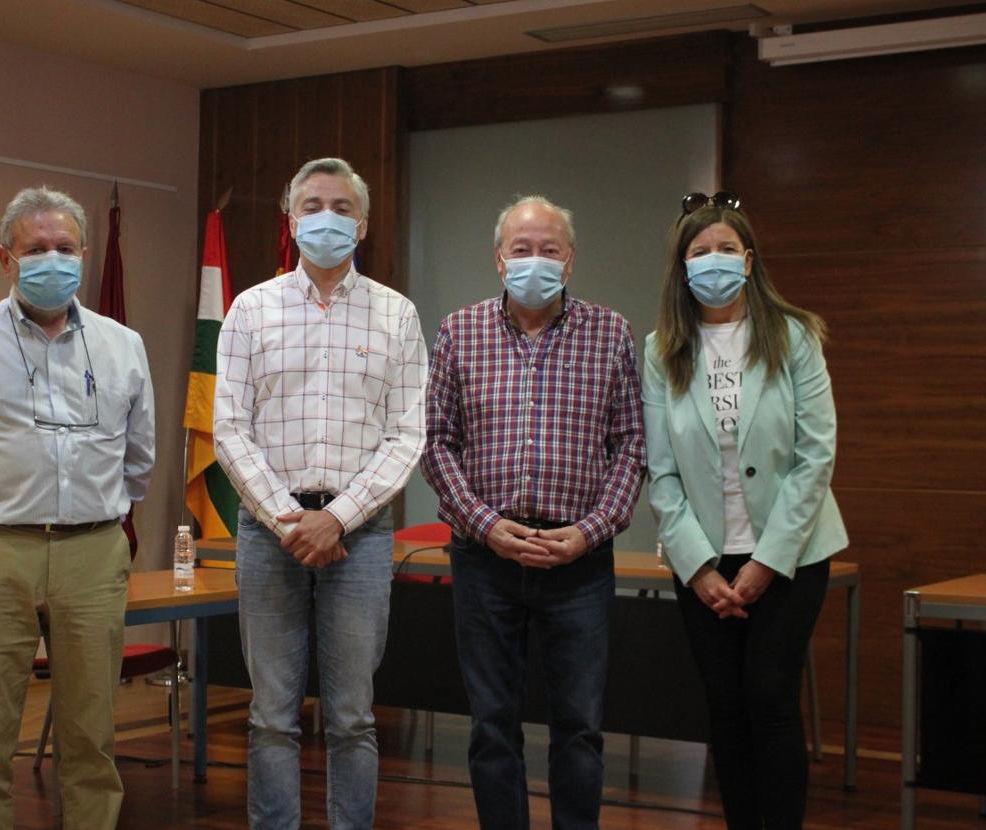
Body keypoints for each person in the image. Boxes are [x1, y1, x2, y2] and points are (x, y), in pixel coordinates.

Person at [0, 185, 156, 829]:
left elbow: (138, 460)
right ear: (5, 258)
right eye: (37, 248)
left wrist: (92, 513)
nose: (54, 259)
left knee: (92, 741)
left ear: (84, 254)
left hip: (93, 554)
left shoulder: (122, 344)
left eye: (65, 248)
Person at [213, 157, 428, 829]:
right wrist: (289, 520)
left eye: (341, 207)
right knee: (270, 716)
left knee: (353, 717)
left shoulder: (396, 314)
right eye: (312, 206)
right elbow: (228, 428)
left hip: (358, 537)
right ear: (290, 219)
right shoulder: (251, 309)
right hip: (269, 533)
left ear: (362, 225)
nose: (326, 218)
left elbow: (408, 433)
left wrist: (335, 518)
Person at [422, 195, 646, 829]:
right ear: (499, 259)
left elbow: (632, 444)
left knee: (580, 726)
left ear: (570, 260)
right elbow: (435, 443)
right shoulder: (459, 331)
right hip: (484, 559)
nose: (535, 261)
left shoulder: (611, 332)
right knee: (492, 725)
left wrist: (589, 532)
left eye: (550, 249)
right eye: (522, 249)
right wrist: (486, 526)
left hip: (579, 562)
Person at [641, 191, 849, 829]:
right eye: (700, 251)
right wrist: (699, 566)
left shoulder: (794, 336)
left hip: (790, 555)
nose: (714, 261)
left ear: (749, 260)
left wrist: (766, 561)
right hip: (703, 561)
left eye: (726, 249)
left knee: (770, 698)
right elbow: (661, 470)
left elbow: (816, 454)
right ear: (682, 267)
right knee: (726, 708)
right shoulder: (661, 349)